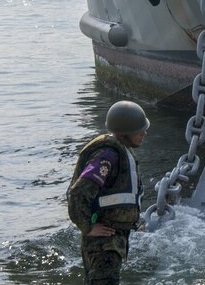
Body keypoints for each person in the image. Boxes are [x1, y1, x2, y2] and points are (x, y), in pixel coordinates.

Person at [68, 100, 150, 284]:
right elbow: (78, 192)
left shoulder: (120, 152)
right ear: (125, 132)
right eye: (139, 130)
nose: (144, 133)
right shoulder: (107, 156)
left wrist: (134, 223)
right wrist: (87, 227)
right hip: (103, 243)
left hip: (112, 239)